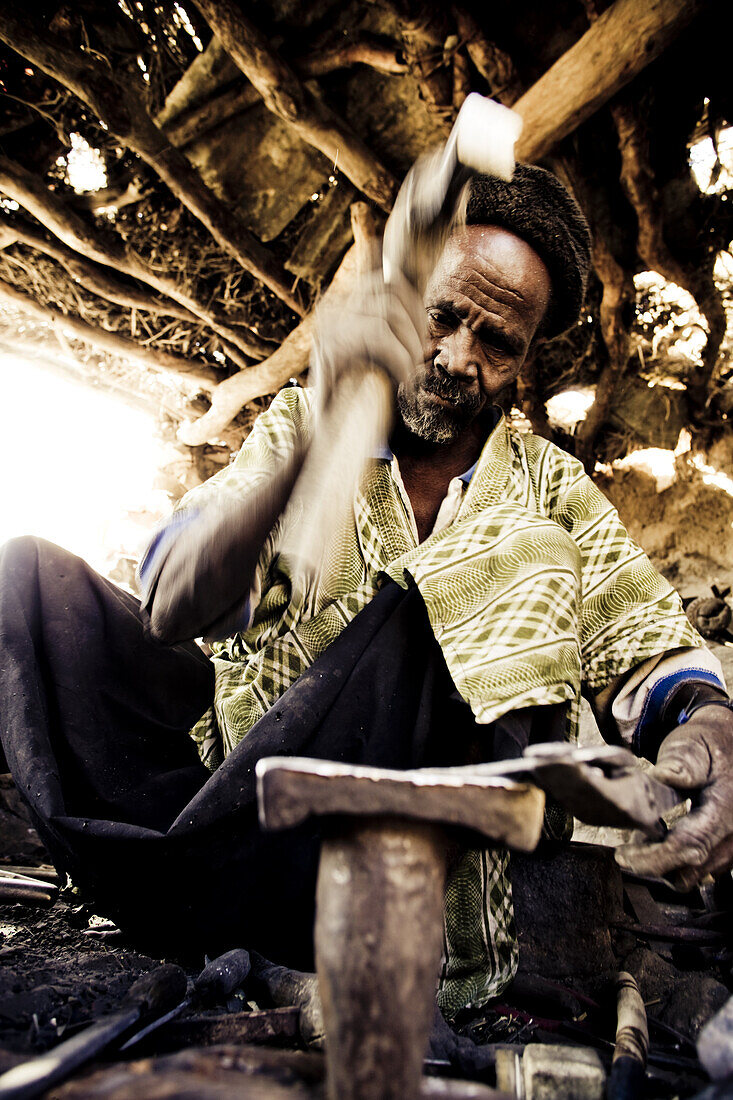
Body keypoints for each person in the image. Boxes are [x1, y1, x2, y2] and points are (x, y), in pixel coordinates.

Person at [1, 165, 731, 1019]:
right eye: (444, 316)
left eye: (497, 343)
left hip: (402, 884)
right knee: (30, 584)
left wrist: (714, 731)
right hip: (239, 827)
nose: (460, 359)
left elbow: (648, 648)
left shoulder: (550, 492)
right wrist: (320, 445)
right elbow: (174, 603)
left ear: (524, 361)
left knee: (506, 560)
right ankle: (173, 892)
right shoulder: (303, 426)